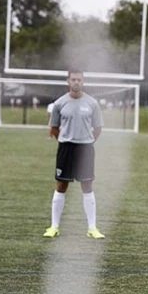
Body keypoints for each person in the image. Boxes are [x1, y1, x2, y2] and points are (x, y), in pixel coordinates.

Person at [43, 69, 105, 239]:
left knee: (87, 186)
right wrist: (65, 140)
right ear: (68, 81)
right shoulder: (59, 103)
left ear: (83, 82)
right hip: (66, 148)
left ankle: (92, 228)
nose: (76, 82)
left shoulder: (92, 103)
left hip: (85, 148)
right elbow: (54, 128)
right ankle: (54, 227)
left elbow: (98, 128)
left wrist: (88, 141)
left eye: (79, 80)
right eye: (73, 79)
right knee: (61, 185)